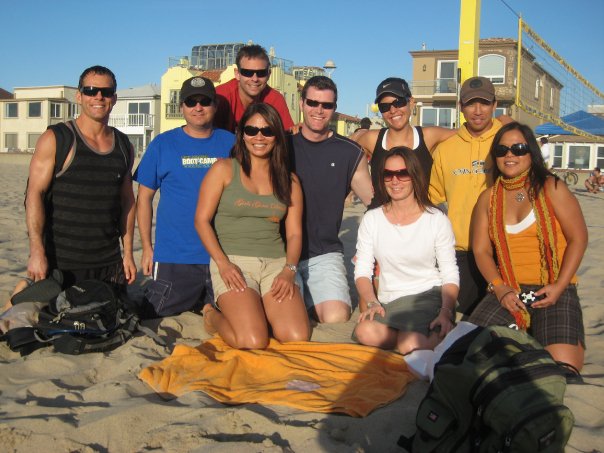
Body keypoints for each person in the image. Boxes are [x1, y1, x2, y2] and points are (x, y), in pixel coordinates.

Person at [468, 122, 587, 371]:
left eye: (518, 148)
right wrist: (500, 289)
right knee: (470, 354)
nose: (510, 155)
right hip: (509, 289)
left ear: (531, 152)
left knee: (563, 367)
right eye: (502, 150)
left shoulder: (552, 187)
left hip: (553, 286)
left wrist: (560, 286)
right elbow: (481, 251)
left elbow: (578, 238)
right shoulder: (488, 198)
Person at [195, 103, 309, 349]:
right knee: (252, 341)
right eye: (252, 130)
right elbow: (201, 221)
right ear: (241, 133)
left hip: (276, 265)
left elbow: (294, 233)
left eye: (267, 131)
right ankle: (211, 315)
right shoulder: (224, 170)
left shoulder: (290, 181)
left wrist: (289, 271)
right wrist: (223, 265)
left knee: (296, 337)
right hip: (234, 263)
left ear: (277, 136)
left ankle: (259, 312)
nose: (259, 137)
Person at [25, 65, 136, 290]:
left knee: (112, 321)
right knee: (49, 316)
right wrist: (37, 252)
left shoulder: (124, 146)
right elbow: (34, 194)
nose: (98, 97)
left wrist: (128, 254)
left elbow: (127, 202)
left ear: (114, 98)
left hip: (108, 261)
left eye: (106, 92)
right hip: (62, 261)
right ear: (79, 96)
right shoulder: (56, 139)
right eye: (91, 90)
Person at [134, 77, 235, 317]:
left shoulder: (232, 143)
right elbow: (144, 199)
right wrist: (147, 248)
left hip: (223, 254)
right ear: (181, 107)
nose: (198, 107)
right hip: (174, 256)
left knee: (231, 313)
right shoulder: (162, 144)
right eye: (191, 101)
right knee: (153, 312)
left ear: (215, 106)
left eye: (205, 101)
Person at [354, 147, 459, 354]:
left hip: (427, 295)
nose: (395, 181)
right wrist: (372, 301)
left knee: (409, 344)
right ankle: (418, 339)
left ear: (414, 176)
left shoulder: (436, 219)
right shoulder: (372, 219)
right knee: (364, 332)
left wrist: (446, 311)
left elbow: (449, 272)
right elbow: (362, 271)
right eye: (388, 174)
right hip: (388, 299)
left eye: (402, 173)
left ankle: (442, 333)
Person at [290, 76, 374, 323]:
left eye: (326, 105)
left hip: (324, 253)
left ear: (334, 109)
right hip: (281, 252)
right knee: (286, 318)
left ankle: (306, 297)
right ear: (302, 104)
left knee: (336, 317)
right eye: (313, 102)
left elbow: (374, 202)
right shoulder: (281, 146)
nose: (319, 110)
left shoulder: (349, 151)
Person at [429, 76, 504, 316]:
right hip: (461, 250)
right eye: (471, 104)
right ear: (461, 107)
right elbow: (431, 197)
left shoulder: (509, 141)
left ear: (495, 104)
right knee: (467, 321)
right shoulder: (446, 149)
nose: (478, 110)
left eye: (484, 103)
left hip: (502, 249)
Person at [351, 77, 457, 207]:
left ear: (411, 102)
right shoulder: (371, 139)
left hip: (420, 221)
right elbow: (340, 153)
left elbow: (467, 135)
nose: (393, 110)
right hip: (382, 221)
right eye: (384, 106)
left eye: (399, 102)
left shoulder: (428, 136)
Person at [215, 44, 294, 133]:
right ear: (237, 74)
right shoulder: (221, 96)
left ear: (268, 75)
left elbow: (287, 135)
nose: (255, 79)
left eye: (261, 73)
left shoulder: (275, 99)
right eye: (247, 72)